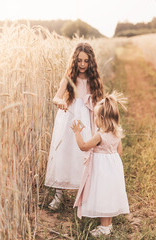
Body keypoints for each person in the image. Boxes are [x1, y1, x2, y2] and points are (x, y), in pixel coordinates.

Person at [45, 42, 104, 209]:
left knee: (85, 153)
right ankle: (58, 195)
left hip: (87, 120)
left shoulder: (94, 80)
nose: (83, 64)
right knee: (64, 152)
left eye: (86, 61)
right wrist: (61, 101)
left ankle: (84, 194)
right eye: (79, 60)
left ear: (91, 61)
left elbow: (99, 102)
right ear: (74, 60)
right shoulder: (69, 77)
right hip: (69, 119)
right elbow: (55, 97)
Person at [71, 91, 130, 237]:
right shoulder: (116, 133)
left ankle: (104, 228)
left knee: (103, 195)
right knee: (109, 196)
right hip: (113, 167)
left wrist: (77, 132)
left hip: (102, 170)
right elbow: (119, 151)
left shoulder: (99, 136)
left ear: (102, 118)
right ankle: (107, 224)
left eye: (96, 116)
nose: (94, 119)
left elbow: (84, 146)